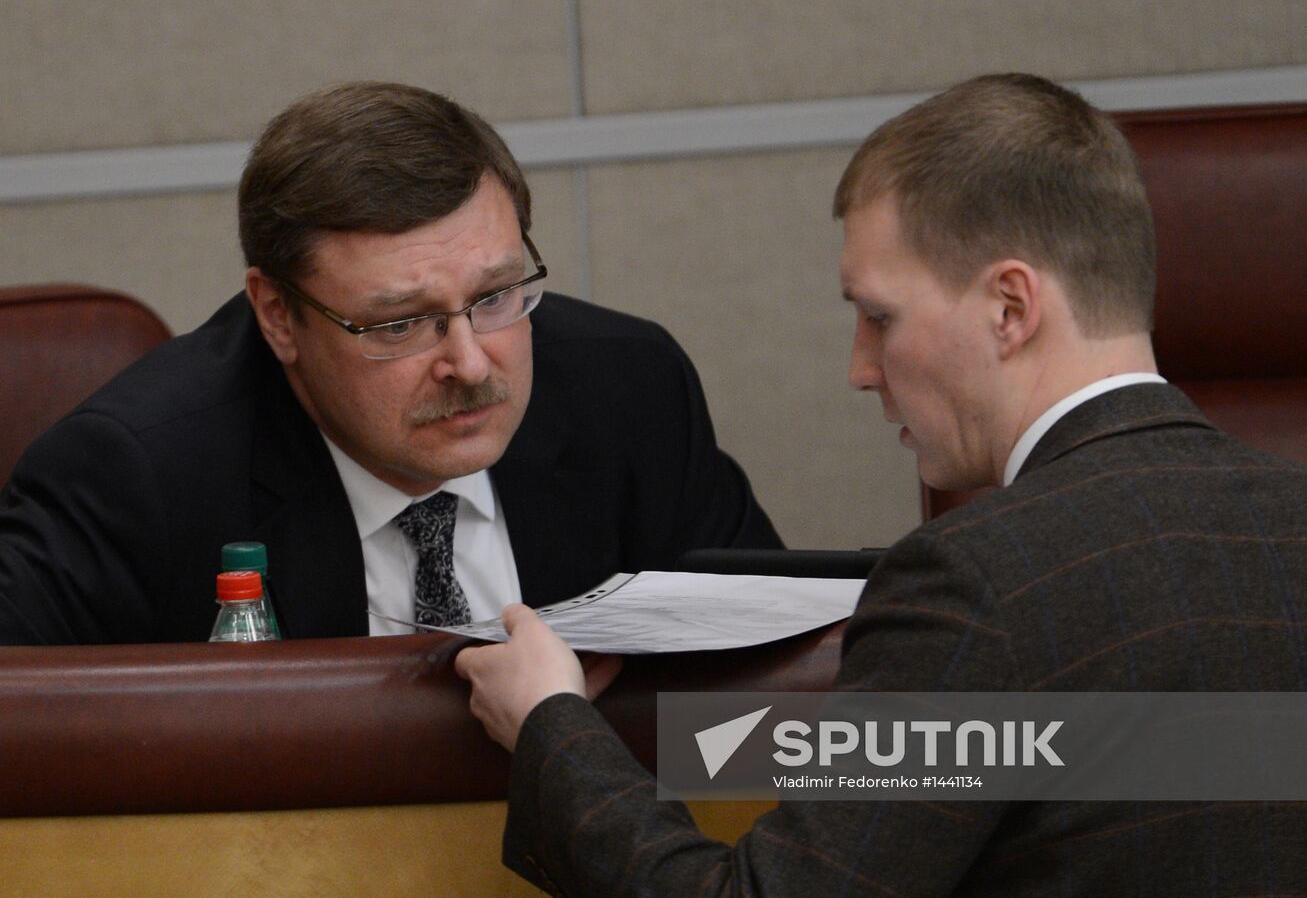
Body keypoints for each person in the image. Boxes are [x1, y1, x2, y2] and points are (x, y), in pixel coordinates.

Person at [455, 73, 1307, 895]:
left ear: (1009, 307)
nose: (861, 369)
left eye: (878, 317)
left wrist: (550, 725)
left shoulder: (976, 586)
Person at [0, 81, 781, 644]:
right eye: (399, 323)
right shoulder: (138, 471)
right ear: (279, 316)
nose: (470, 363)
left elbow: (769, 714)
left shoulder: (629, 390)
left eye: (496, 295)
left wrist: (607, 779)